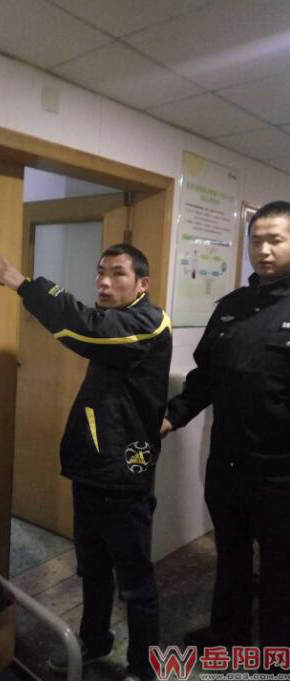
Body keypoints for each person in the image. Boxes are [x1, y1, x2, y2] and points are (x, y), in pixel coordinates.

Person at [0, 244, 172, 680]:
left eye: (117, 274)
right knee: (92, 570)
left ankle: (144, 667)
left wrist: (24, 285)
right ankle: (95, 640)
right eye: (100, 272)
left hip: (122, 476)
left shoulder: (148, 323)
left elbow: (84, 327)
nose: (104, 282)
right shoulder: (121, 320)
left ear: (142, 284)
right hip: (92, 467)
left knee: (136, 583)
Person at [161, 201, 290, 652]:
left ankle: (276, 653)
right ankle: (228, 634)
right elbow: (206, 377)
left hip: (281, 474)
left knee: (280, 568)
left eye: (276, 240)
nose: (264, 250)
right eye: (256, 241)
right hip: (229, 465)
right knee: (232, 555)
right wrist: (173, 414)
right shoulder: (232, 307)